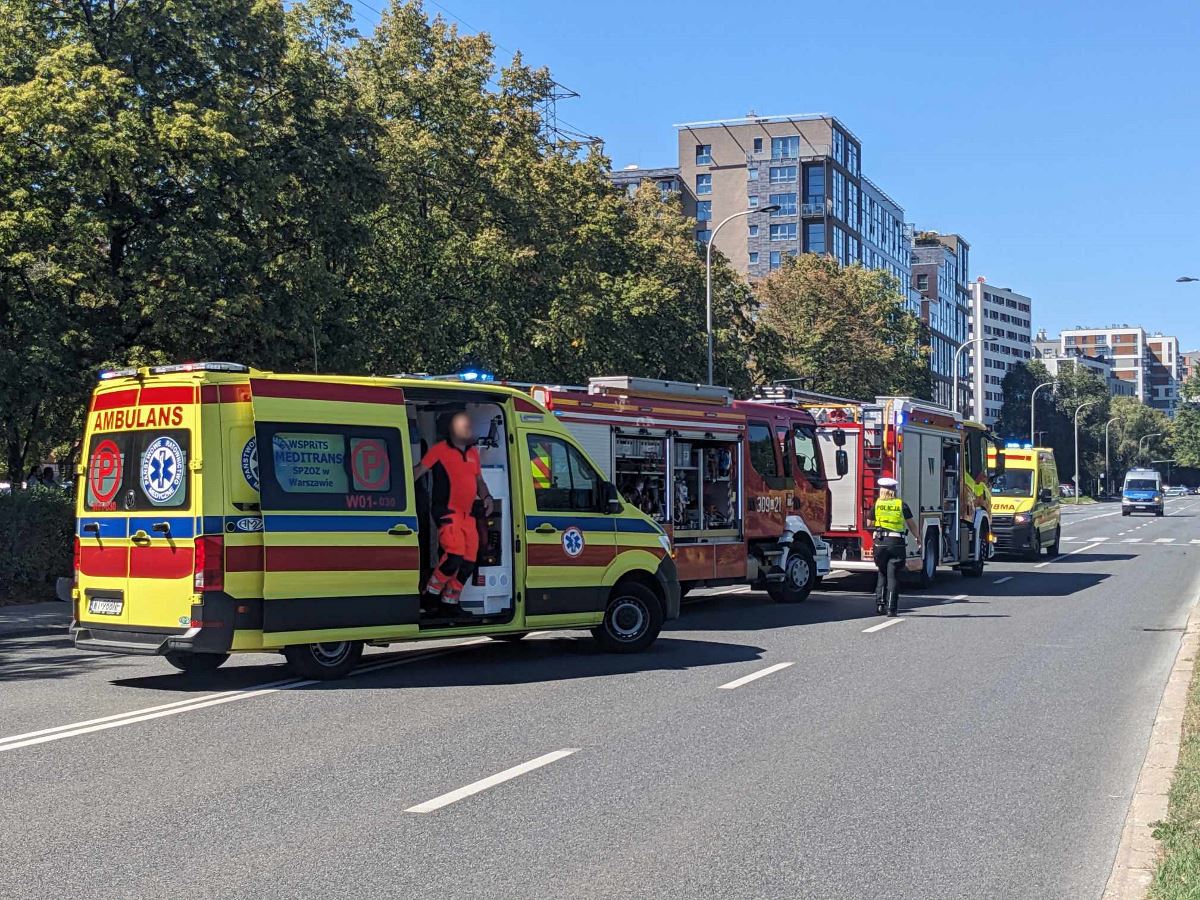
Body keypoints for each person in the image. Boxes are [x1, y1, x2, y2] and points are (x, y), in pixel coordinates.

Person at [412, 411, 494, 617]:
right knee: (454, 557)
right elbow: (419, 470)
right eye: (463, 425)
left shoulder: (473, 453)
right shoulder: (439, 450)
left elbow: (479, 481)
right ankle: (430, 596)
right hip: (447, 512)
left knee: (469, 562)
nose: (468, 429)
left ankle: (450, 602)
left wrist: (487, 497)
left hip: (468, 515)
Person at [872, 477, 919, 617]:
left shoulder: (877, 504)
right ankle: (891, 608)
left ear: (881, 490)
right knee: (893, 576)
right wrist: (918, 538)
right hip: (896, 543)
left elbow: (869, 522)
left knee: (882, 572)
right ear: (894, 490)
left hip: (880, 542)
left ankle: (880, 605)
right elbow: (911, 524)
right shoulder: (901, 504)